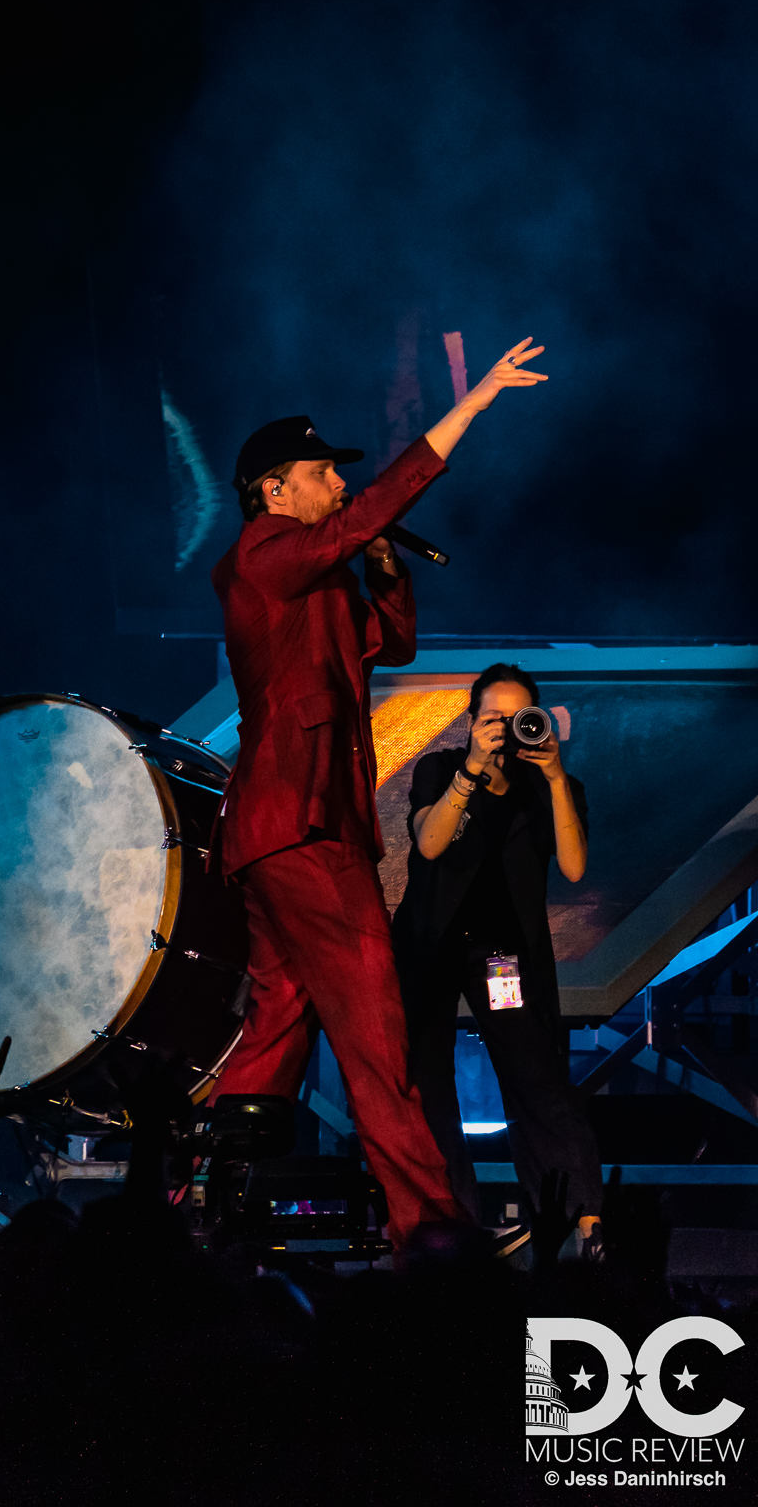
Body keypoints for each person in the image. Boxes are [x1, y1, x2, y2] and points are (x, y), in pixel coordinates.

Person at [209, 337, 548, 1248]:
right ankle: (430, 1232)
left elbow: (383, 645)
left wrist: (388, 571)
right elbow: (348, 530)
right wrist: (466, 411)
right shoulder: (263, 557)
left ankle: (197, 1206)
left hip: (286, 833)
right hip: (305, 830)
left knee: (275, 1030)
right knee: (377, 1036)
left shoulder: (308, 580)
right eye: (323, 473)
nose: (338, 487)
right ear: (274, 490)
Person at [392, 662, 602, 1241]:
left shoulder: (551, 787)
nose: (506, 730)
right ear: (470, 720)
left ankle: (578, 1221)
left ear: (539, 721)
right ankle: (446, 1226)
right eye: (493, 718)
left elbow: (576, 868)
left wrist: (557, 779)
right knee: (428, 1087)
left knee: (538, 1080)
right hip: (429, 946)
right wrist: (471, 771)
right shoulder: (440, 769)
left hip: (501, 956)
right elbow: (430, 845)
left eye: (519, 719)